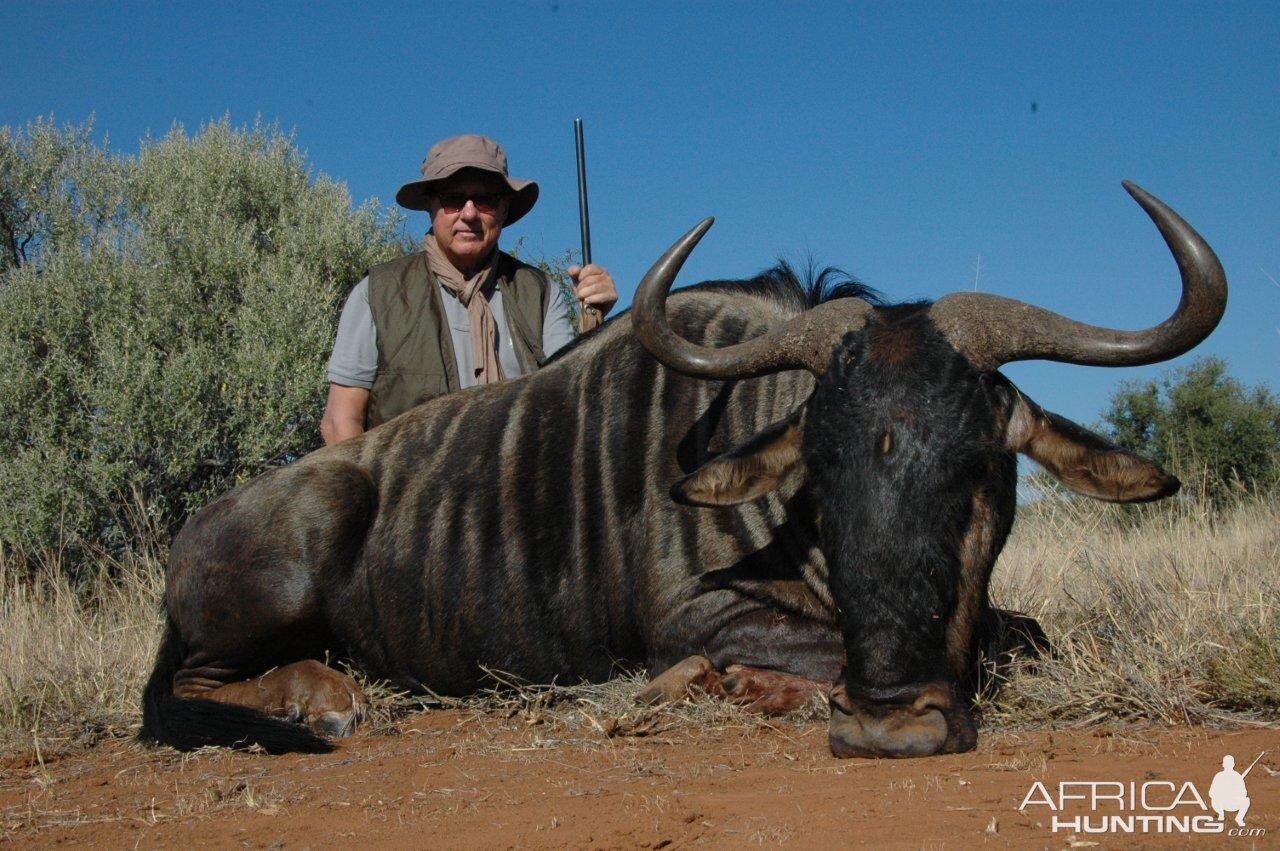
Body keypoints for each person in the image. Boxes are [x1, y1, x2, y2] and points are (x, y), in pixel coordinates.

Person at [320, 134, 618, 444]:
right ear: (430, 205)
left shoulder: (541, 293)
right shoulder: (378, 294)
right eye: (453, 198)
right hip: (411, 491)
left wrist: (596, 327)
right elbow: (340, 422)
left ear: (503, 209)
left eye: (485, 199)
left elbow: (571, 402)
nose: (469, 213)